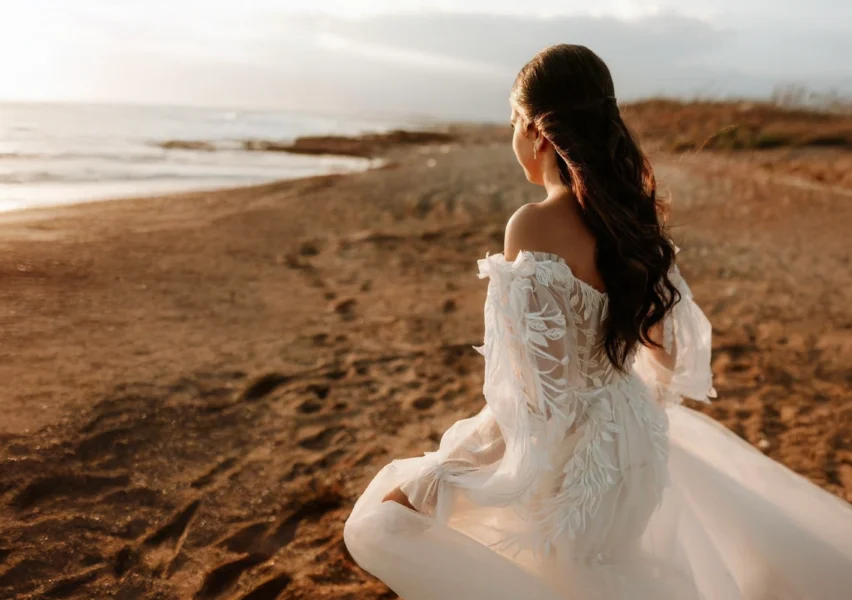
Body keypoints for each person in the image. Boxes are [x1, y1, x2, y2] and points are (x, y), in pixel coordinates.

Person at [343, 44, 852, 600]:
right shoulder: (634, 220)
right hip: (633, 441)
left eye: (513, 123)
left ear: (537, 132)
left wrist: (447, 469)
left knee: (390, 524)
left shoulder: (532, 225)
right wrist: (626, 406)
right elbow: (668, 355)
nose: (513, 139)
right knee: (602, 573)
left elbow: (542, 400)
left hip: (575, 456)